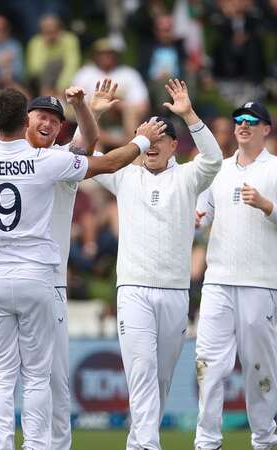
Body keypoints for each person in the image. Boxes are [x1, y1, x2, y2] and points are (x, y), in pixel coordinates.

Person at [0, 87, 165, 450]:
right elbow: (104, 161)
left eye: (55, 120)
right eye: (41, 115)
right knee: (38, 377)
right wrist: (140, 138)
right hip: (38, 276)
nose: (46, 122)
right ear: (25, 120)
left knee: (4, 377)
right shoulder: (49, 162)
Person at [91, 79, 222, 450]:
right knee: (142, 371)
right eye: (144, 140)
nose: (151, 147)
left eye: (159, 139)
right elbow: (84, 154)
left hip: (175, 293)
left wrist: (190, 115)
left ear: (173, 146)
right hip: (133, 289)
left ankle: (139, 442)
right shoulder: (124, 176)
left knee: (160, 378)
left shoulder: (187, 177)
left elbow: (213, 159)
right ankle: (149, 445)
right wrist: (95, 112)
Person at [194, 100, 277, 450]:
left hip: (260, 282)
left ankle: (263, 441)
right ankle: (207, 442)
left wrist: (267, 206)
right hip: (218, 279)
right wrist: (196, 218)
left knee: (259, 368)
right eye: (238, 120)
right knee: (208, 364)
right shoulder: (219, 169)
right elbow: (204, 213)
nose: (242, 125)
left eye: (251, 121)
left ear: (265, 129)